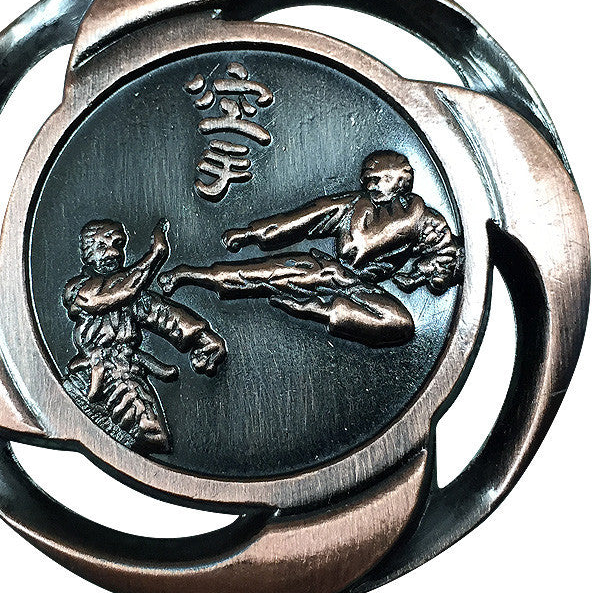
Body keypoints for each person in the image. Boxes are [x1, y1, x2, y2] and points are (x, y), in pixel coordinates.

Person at [158, 151, 463, 347]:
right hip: (328, 270)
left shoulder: (424, 218)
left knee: (400, 324)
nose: (371, 187)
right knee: (259, 274)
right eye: (367, 181)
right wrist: (249, 234)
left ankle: (317, 310)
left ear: (400, 178)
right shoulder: (352, 205)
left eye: (377, 180)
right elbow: (301, 220)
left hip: (360, 289)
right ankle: (187, 274)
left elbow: (446, 254)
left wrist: (422, 273)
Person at [63, 218, 226, 453]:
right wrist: (154, 255)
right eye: (102, 246)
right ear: (88, 253)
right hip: (98, 373)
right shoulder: (80, 289)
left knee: (155, 437)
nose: (113, 253)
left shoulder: (132, 294)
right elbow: (113, 294)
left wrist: (204, 338)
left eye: (118, 245)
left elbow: (163, 314)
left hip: (127, 371)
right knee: (151, 435)